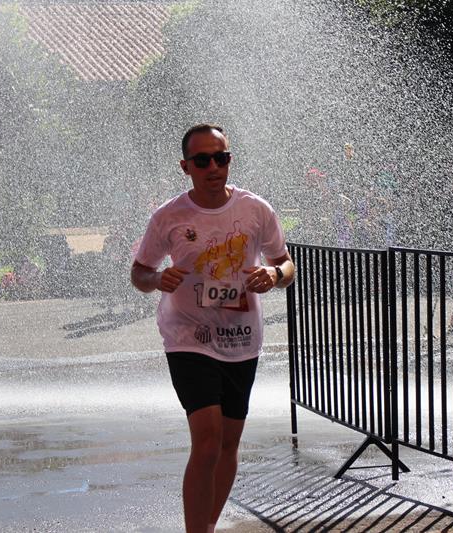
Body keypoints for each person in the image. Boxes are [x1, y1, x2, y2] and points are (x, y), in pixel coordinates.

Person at [130, 124, 295, 533]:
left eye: (219, 158)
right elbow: (139, 271)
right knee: (206, 441)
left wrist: (274, 275)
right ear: (186, 167)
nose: (212, 167)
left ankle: (205, 526)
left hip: (241, 339)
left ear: (229, 160)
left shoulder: (255, 209)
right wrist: (156, 280)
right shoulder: (168, 217)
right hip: (188, 337)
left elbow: (287, 264)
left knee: (227, 445)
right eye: (202, 160)